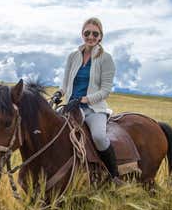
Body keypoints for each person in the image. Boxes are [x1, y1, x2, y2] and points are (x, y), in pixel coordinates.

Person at [52, 17, 122, 184]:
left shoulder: (106, 59)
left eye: (95, 34)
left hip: (93, 109)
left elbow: (105, 90)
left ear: (100, 37)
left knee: (98, 137)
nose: (91, 36)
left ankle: (114, 176)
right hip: (70, 107)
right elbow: (66, 82)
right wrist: (59, 93)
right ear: (82, 34)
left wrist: (84, 99)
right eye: (87, 33)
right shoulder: (73, 56)